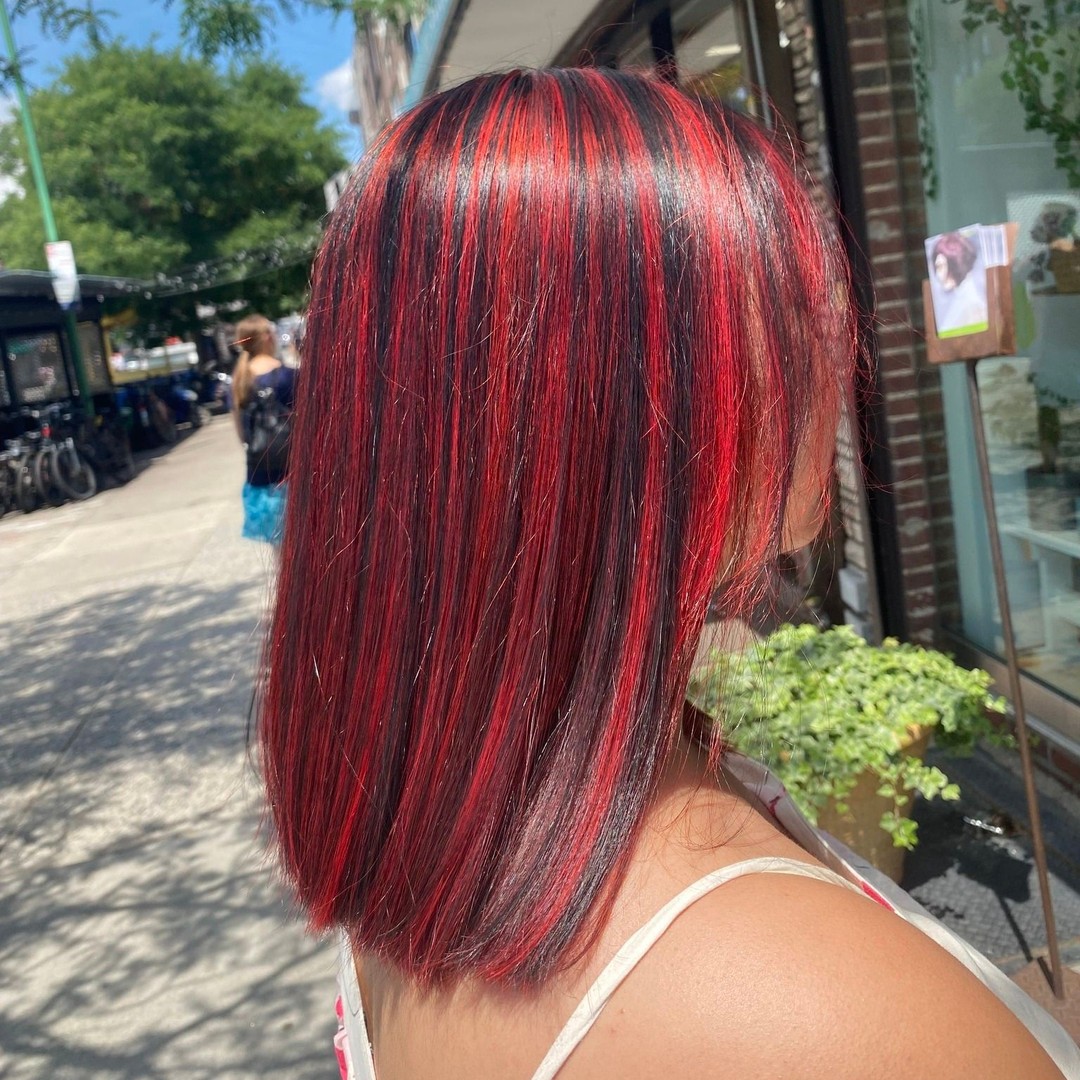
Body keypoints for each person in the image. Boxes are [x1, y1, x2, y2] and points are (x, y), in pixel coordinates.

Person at [257, 70, 1079, 1079]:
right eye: (797, 310)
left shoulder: (423, 833)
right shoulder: (823, 1019)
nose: (844, 351)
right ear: (618, 413)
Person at [229, 314, 294, 544]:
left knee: (280, 549)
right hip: (294, 469)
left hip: (261, 475)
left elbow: (242, 434)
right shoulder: (288, 375)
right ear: (267, 337)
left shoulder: (239, 381)